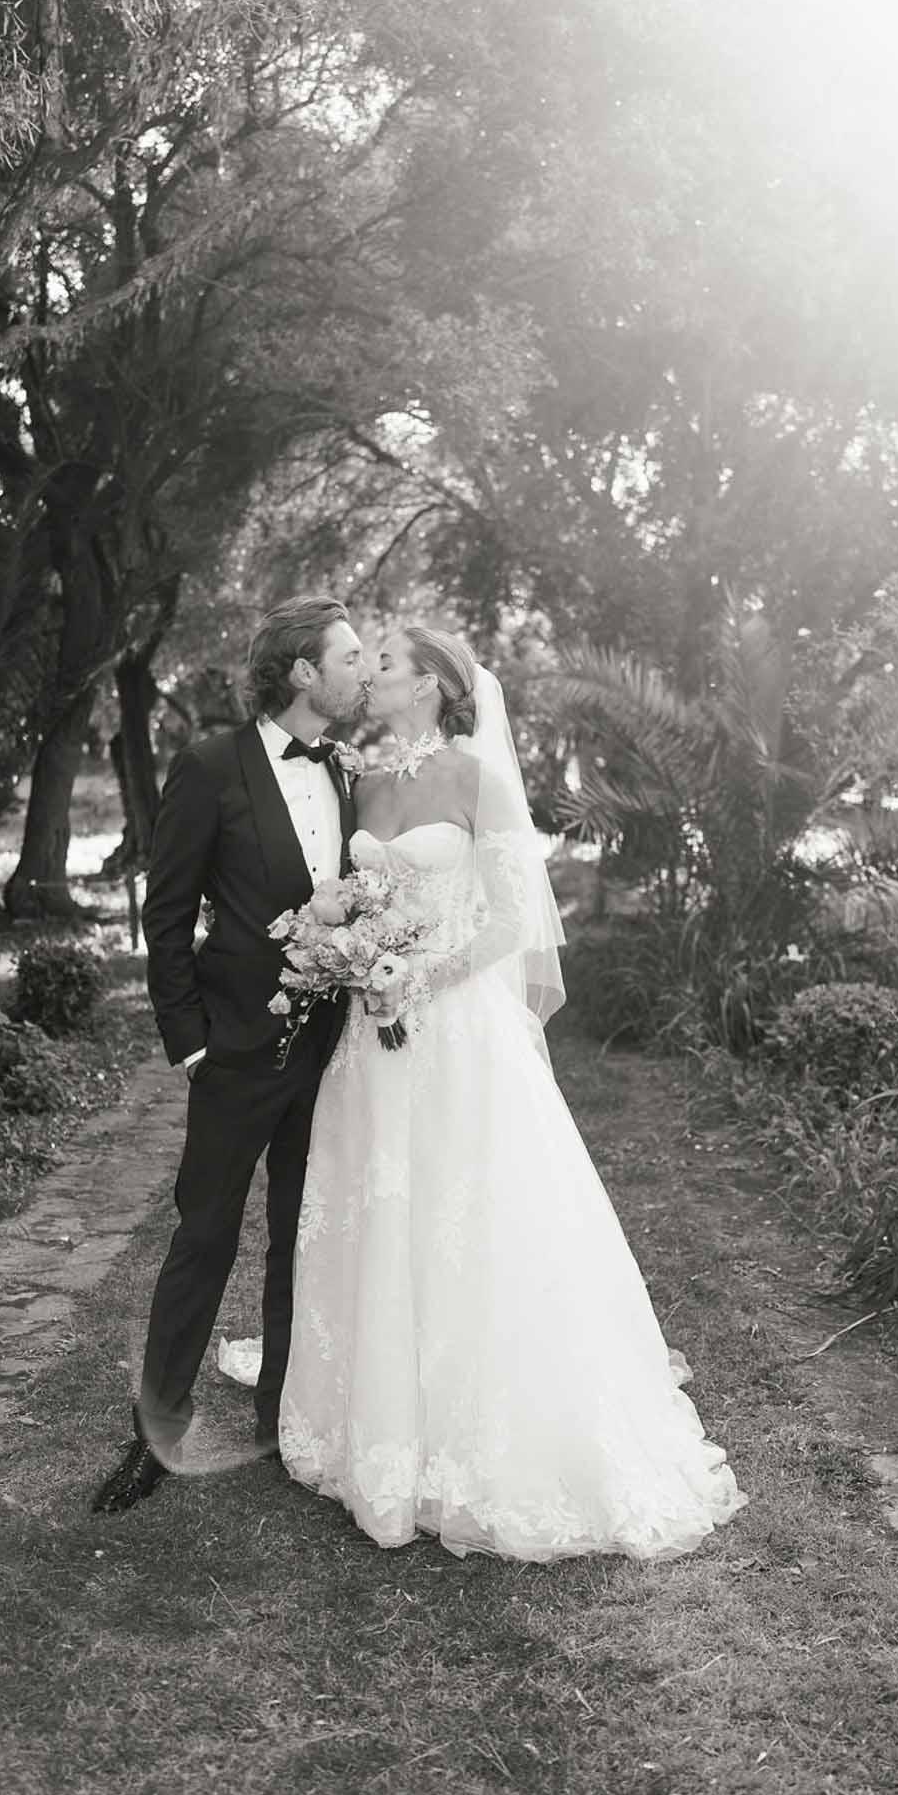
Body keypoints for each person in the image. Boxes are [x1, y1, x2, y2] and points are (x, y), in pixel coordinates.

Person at [272, 627, 746, 1560]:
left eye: (390, 667)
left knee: (465, 1212)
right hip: (373, 1035)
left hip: (455, 1029)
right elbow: (356, 894)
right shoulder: (361, 782)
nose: (373, 677)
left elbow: (506, 923)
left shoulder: (475, 779)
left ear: (433, 687)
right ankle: (375, 1420)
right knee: (379, 1206)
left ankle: (476, 1432)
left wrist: (420, 976)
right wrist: (352, 954)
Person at [91, 596, 369, 1515]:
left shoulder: (351, 773)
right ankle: (154, 1436)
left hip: (336, 1048)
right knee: (203, 1235)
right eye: (349, 656)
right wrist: (191, 1043)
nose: (362, 672)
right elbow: (165, 918)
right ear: (301, 672)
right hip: (235, 1050)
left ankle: (278, 1421)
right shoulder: (211, 766)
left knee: (303, 1231)